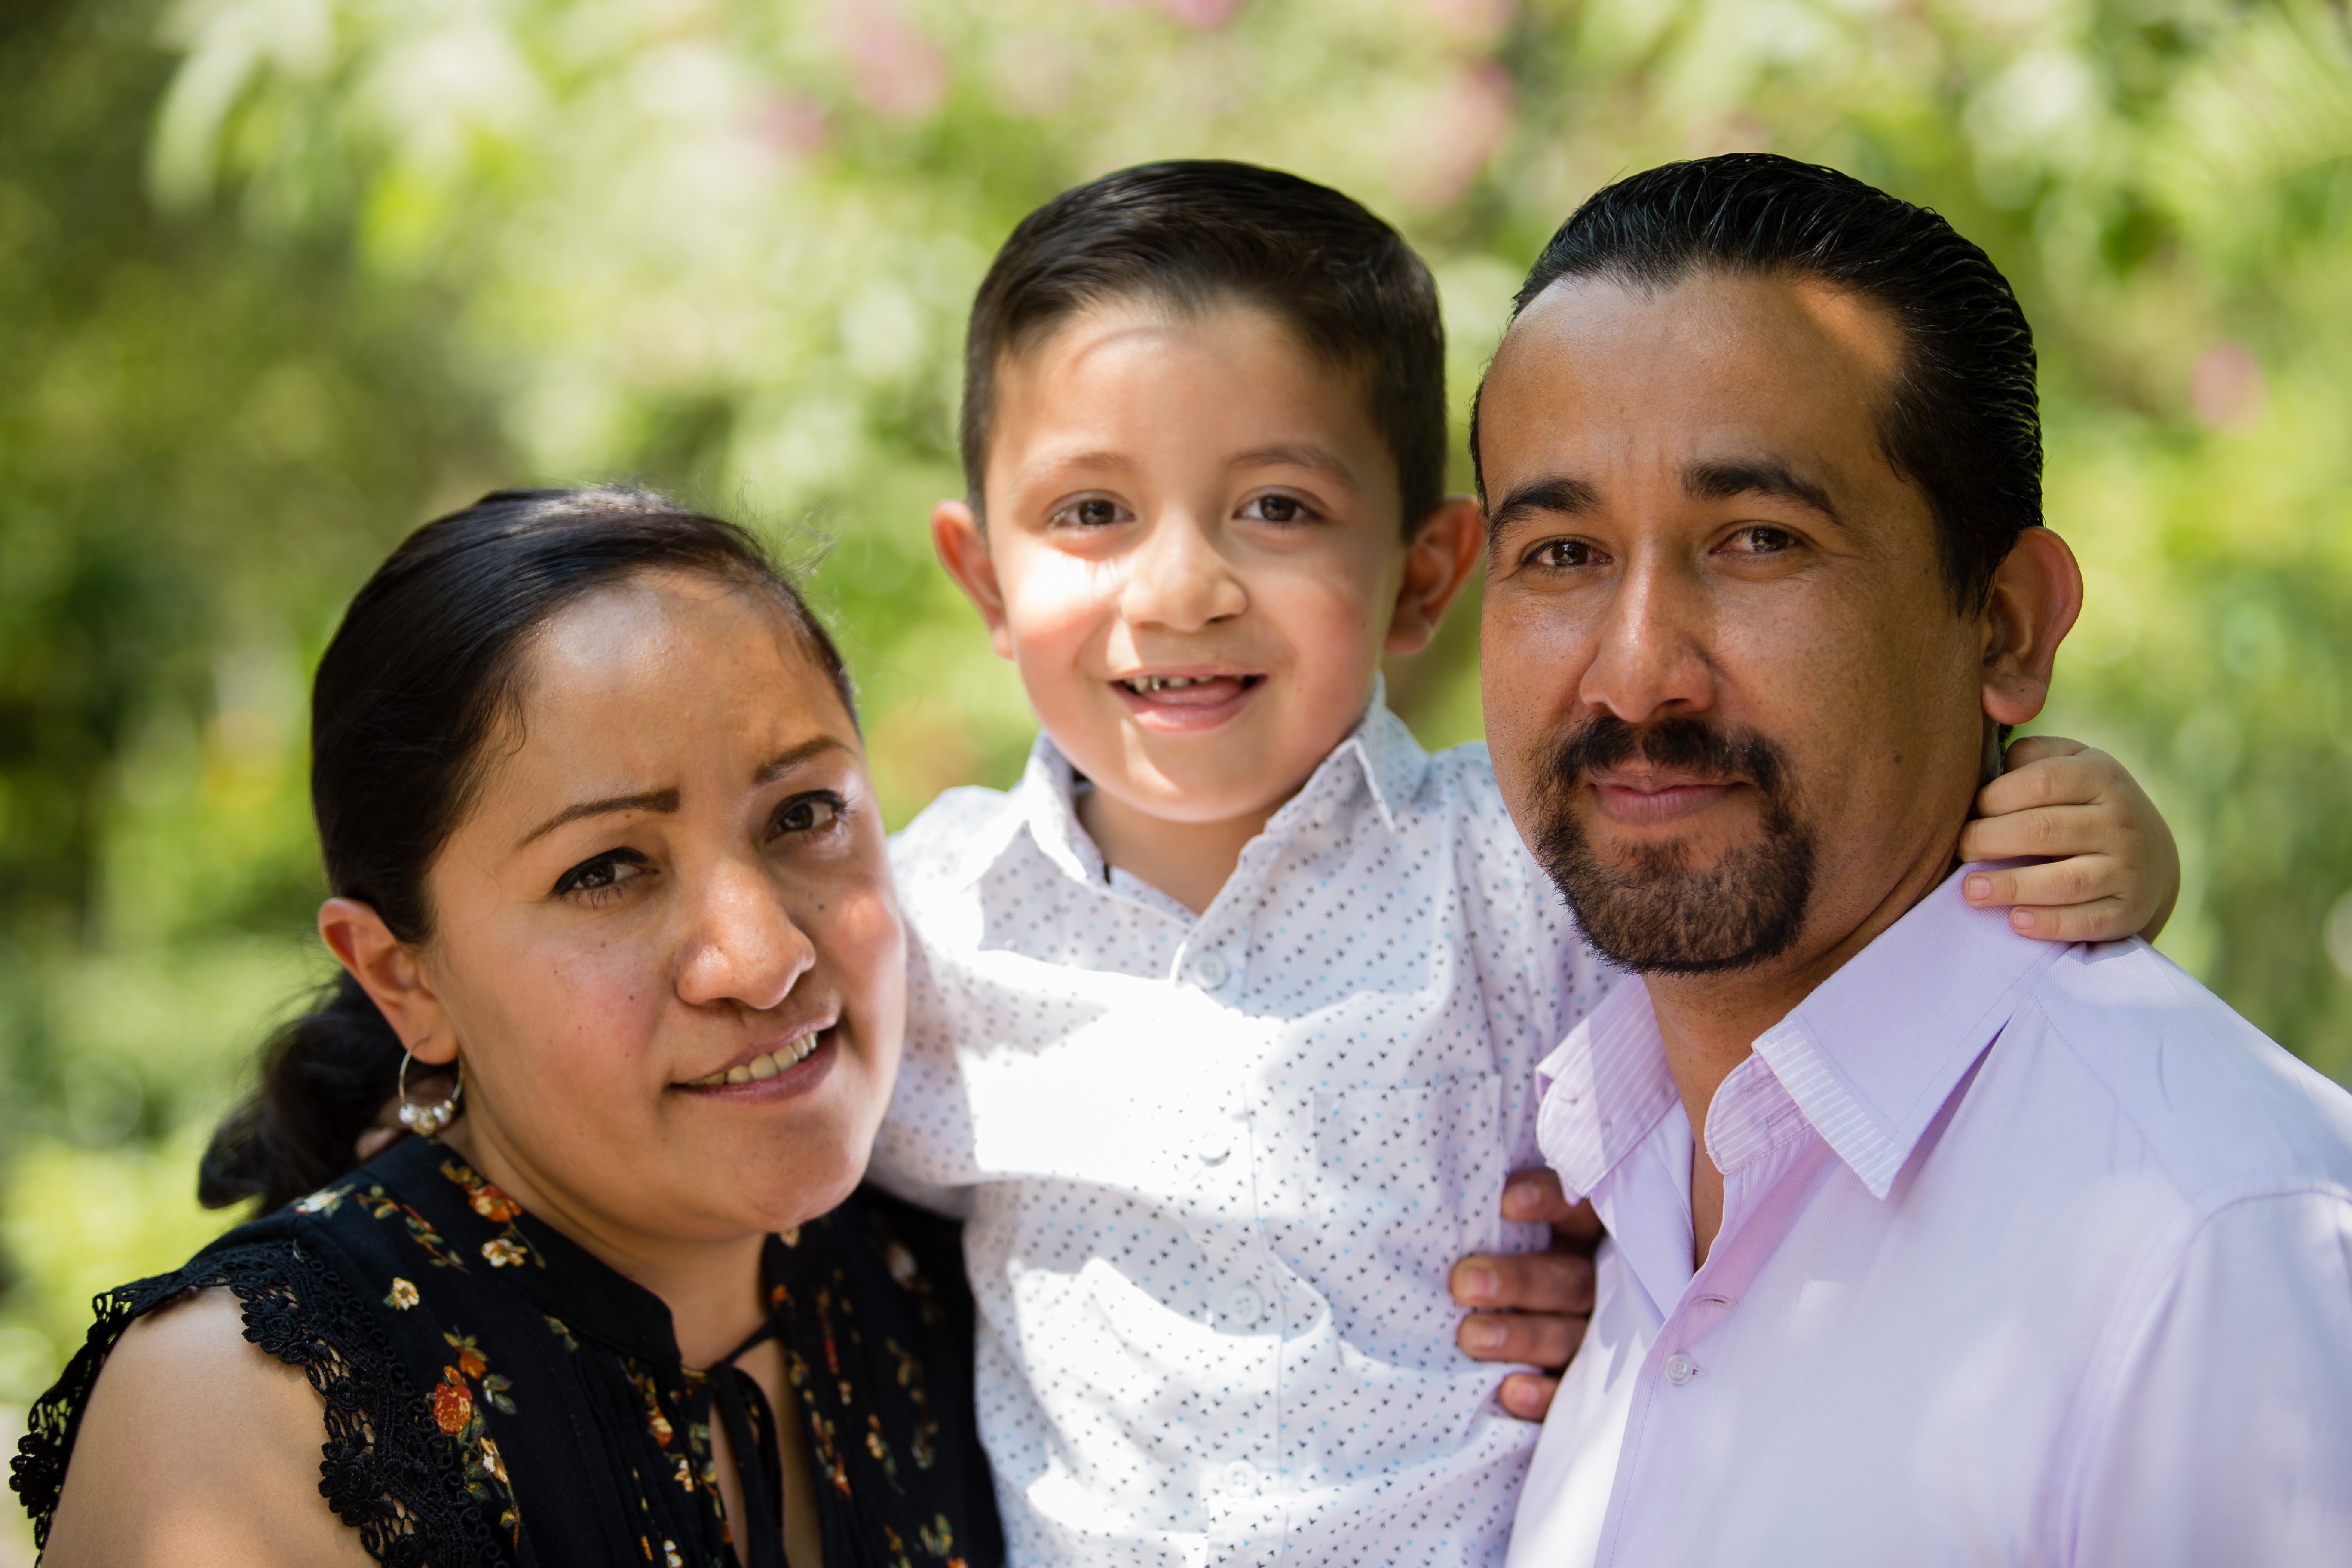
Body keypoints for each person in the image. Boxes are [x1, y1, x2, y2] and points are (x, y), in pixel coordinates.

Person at [871, 160, 2185, 1567]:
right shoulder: (925, 926)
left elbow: (1818, 1011)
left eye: (1278, 509)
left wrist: (2075, 818)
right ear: (986, 579)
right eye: (1090, 512)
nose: (1181, 586)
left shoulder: (1519, 866)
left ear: (1429, 574)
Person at [1474, 153, 2352, 1566]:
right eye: (1562, 551)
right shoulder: (1580, 1187)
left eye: (1758, 540)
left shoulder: (2213, 1235)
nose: (1637, 674)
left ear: (2005, 624)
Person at [10, 489, 1003, 1568]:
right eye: (606, 870)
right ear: (405, 979)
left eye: (805, 813)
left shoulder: (980, 1269)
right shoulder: (254, 1417)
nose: (765, 960)